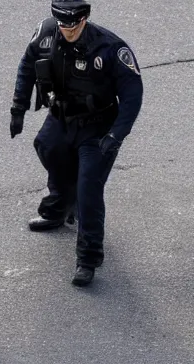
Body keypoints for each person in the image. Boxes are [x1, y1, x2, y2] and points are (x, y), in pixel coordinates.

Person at [10, 0, 143, 286]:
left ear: (84, 20)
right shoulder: (46, 34)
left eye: (73, 26)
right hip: (62, 118)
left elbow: (132, 93)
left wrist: (116, 136)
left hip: (97, 127)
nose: (67, 31)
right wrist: (17, 109)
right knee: (47, 148)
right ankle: (59, 208)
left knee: (89, 192)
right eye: (63, 26)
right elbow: (27, 66)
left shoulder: (109, 47)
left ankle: (88, 258)